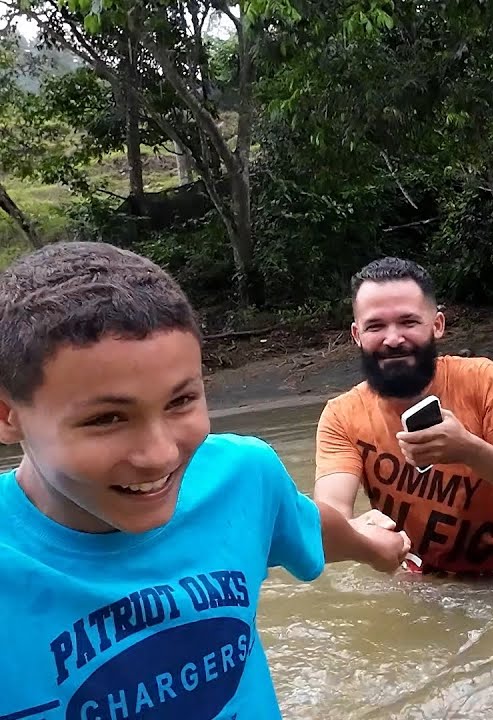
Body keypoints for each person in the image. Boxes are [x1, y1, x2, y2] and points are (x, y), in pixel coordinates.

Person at [0, 241, 409, 718]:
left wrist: (374, 547)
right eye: (107, 419)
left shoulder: (241, 476)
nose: (160, 455)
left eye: (181, 402)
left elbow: (309, 527)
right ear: (8, 416)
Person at [314, 257, 493, 576]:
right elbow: (328, 520)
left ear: (437, 325)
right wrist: (359, 533)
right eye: (376, 326)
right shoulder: (342, 415)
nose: (393, 339)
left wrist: (468, 450)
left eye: (408, 322)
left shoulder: (481, 379)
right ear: (356, 334)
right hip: (426, 585)